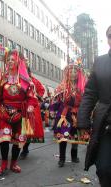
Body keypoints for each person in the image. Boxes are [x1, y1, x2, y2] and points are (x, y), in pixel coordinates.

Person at [0, 49, 37, 176]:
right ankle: (3, 163)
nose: (10, 62)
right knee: (4, 138)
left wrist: (30, 107)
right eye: (8, 60)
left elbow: (31, 98)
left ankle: (14, 163)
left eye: (13, 59)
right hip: (4, 113)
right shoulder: (3, 79)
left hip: (20, 113)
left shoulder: (25, 80)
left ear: (18, 62)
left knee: (18, 140)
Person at [77, 25, 111, 187]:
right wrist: (82, 119)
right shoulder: (100, 62)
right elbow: (90, 92)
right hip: (106, 125)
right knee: (104, 168)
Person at [51, 63, 88, 168]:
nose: (73, 74)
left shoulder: (82, 87)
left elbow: (86, 101)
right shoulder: (62, 86)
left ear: (78, 74)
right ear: (67, 73)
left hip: (77, 114)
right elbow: (56, 100)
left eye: (75, 72)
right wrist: (53, 111)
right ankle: (62, 158)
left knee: (75, 137)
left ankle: (74, 156)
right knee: (63, 137)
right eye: (70, 72)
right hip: (64, 115)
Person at [20, 67, 45, 159]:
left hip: (32, 107)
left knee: (29, 129)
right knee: (19, 129)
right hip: (20, 107)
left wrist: (37, 96)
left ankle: (25, 148)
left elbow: (42, 90)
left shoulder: (34, 81)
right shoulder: (17, 80)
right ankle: (19, 147)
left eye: (26, 71)